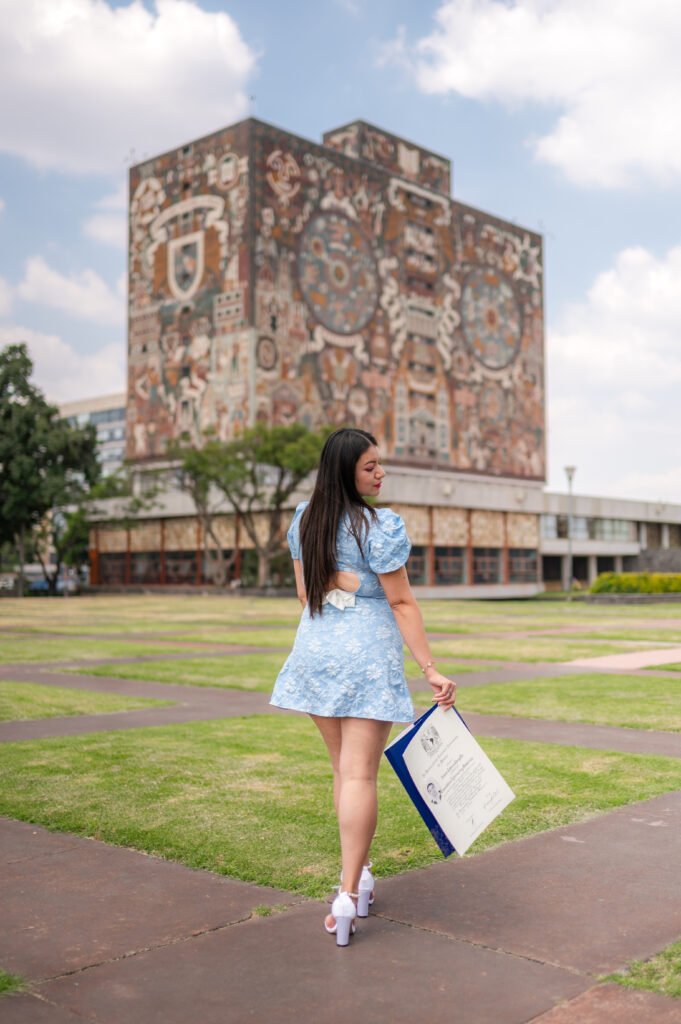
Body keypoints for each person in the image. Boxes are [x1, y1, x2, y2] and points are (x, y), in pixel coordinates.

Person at [270, 427, 457, 946]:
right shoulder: (381, 525)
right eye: (371, 466)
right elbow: (401, 602)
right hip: (365, 658)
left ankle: (360, 876)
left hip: (316, 651)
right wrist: (430, 669)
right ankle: (348, 894)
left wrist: (342, 579)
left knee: (343, 771)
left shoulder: (305, 520)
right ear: (346, 471)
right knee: (359, 777)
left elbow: (306, 591)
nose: (381, 473)